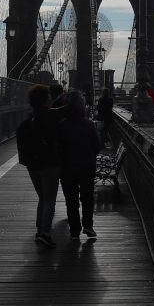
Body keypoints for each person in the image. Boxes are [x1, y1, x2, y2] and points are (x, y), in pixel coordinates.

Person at [20, 84, 65, 248]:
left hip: (32, 166)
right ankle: (45, 232)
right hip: (50, 165)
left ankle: (40, 230)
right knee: (50, 199)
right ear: (47, 99)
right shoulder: (52, 114)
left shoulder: (29, 118)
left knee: (42, 198)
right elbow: (73, 106)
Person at [56, 90, 102, 241]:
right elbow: (97, 145)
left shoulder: (61, 126)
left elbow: (57, 148)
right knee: (87, 198)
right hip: (86, 167)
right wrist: (89, 157)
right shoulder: (89, 124)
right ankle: (88, 225)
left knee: (71, 200)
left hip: (67, 168)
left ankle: (74, 230)